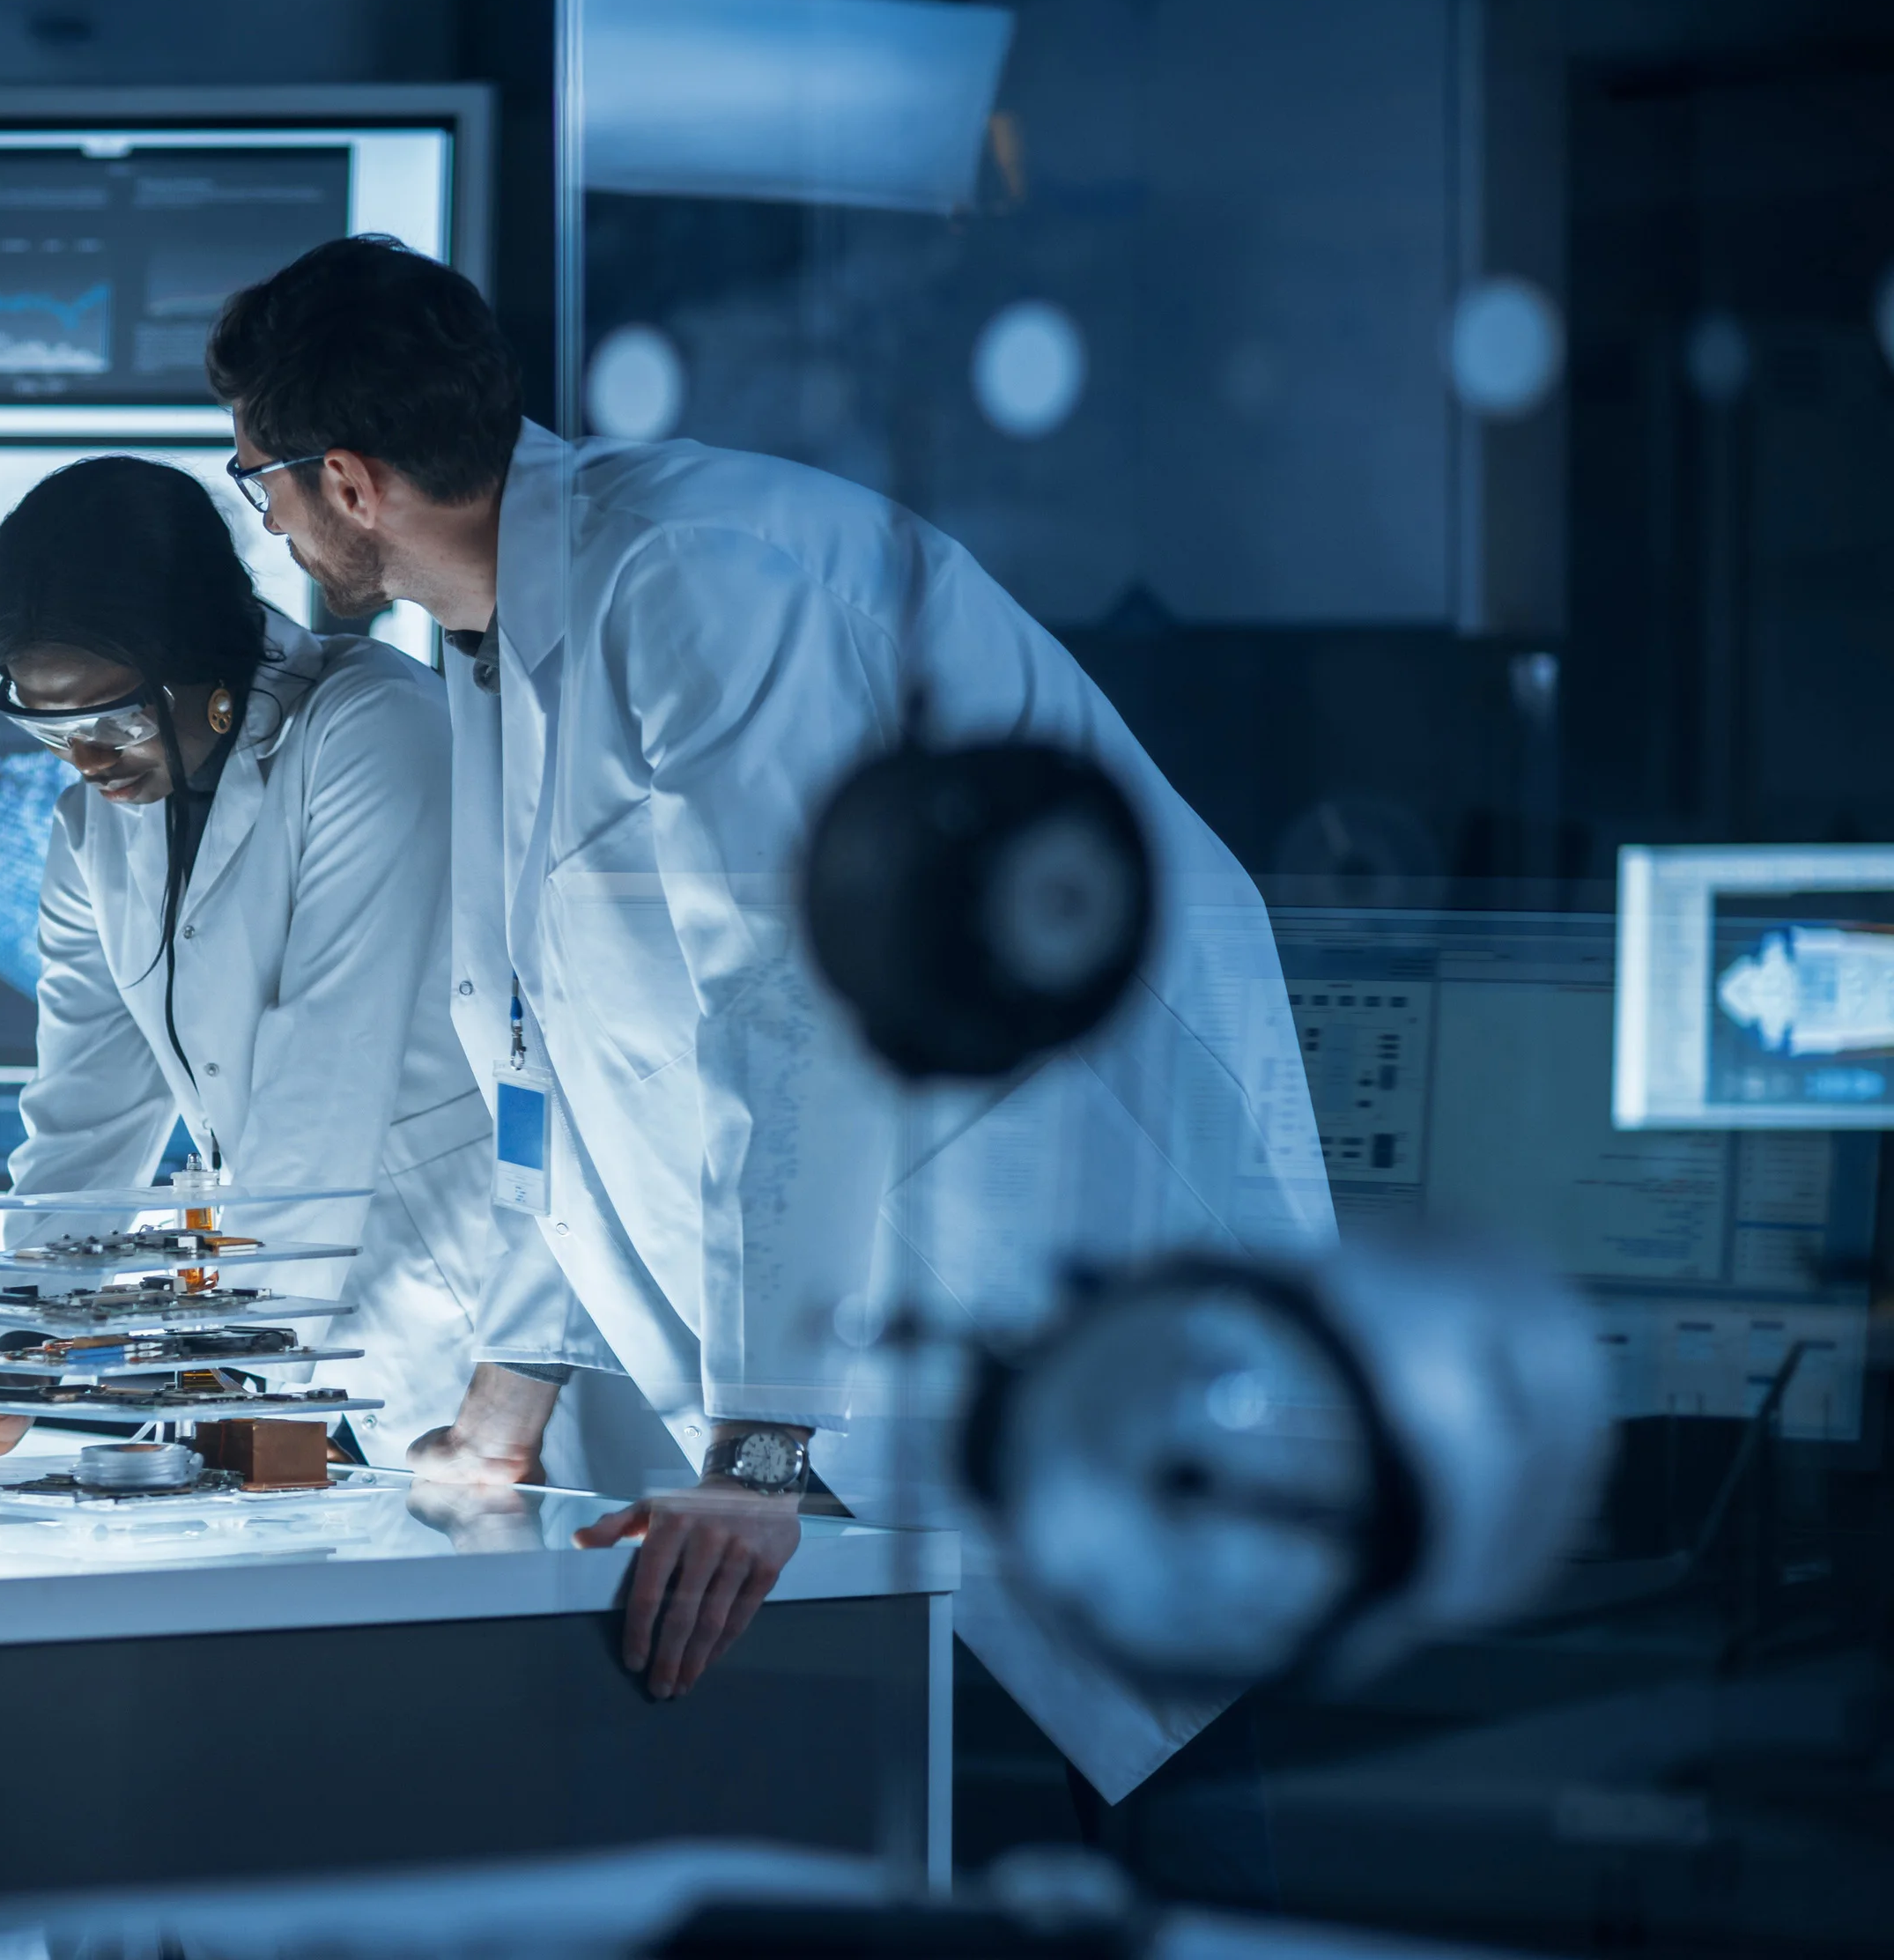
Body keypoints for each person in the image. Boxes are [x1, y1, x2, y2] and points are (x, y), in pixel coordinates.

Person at [206, 237, 1335, 1812]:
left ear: (347, 479)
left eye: (250, 471)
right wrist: (511, 1385)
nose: (253, 512)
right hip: (885, 1353)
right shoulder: (499, 636)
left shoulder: (700, 577)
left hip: (1055, 1272)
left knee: (1171, 1836)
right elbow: (569, 1070)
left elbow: (798, 1014)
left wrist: (758, 1458)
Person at [0, 458, 508, 1469]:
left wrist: (226, 1369)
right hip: (339, 1344)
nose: (88, 761)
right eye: (52, 730)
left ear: (205, 667)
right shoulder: (88, 832)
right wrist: (21, 1353)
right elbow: (82, 1120)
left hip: (485, 1299)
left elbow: (325, 1075)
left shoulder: (367, 726)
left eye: (113, 719)